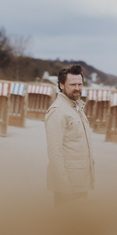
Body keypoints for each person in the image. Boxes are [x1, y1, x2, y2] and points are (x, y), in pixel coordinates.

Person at [44, 64, 95, 206]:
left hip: (81, 181)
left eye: (80, 84)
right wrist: (64, 187)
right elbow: (54, 152)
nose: (77, 88)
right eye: (72, 84)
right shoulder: (58, 111)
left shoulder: (76, 108)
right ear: (61, 85)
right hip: (68, 185)